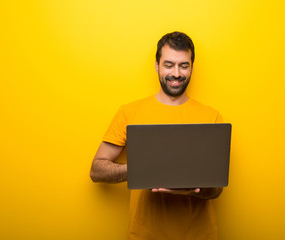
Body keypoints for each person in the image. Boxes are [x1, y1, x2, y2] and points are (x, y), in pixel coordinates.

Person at [90, 31, 224, 240]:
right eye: (169, 65)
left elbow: (216, 191)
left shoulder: (211, 116)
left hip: (199, 235)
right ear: (157, 65)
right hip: (145, 235)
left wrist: (191, 189)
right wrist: (144, 170)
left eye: (184, 65)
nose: (177, 73)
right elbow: (97, 170)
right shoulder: (129, 112)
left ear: (191, 67)